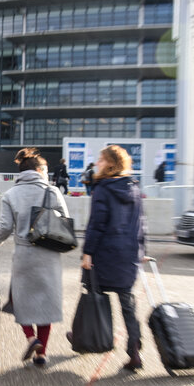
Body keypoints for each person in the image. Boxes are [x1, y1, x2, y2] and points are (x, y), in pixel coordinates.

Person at [0, 148, 67, 368]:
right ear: (40, 170)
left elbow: (4, 227)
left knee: (20, 301)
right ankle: (42, 354)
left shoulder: (11, 194)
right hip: (49, 254)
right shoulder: (53, 192)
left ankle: (31, 338)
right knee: (45, 304)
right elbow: (65, 220)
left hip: (24, 255)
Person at [71, 145, 147, 372]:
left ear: (111, 164)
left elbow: (97, 224)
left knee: (93, 295)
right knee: (128, 305)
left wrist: (88, 252)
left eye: (101, 160)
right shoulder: (134, 187)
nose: (97, 163)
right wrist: (141, 250)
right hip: (128, 254)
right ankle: (134, 351)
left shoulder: (103, 188)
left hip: (104, 253)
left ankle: (86, 336)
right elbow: (141, 223)